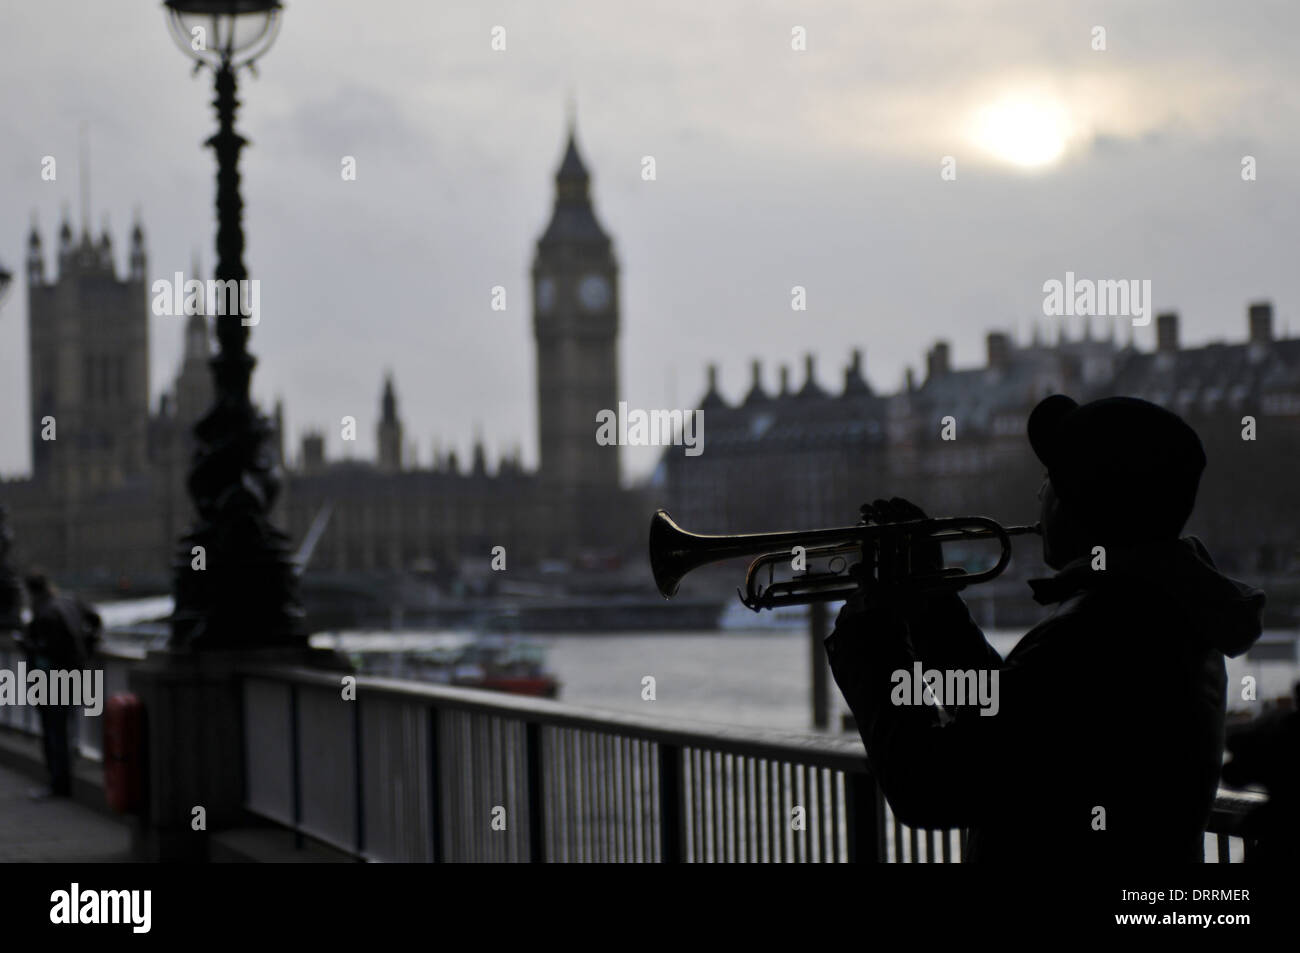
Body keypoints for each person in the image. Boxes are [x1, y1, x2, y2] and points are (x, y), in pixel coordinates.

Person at [825, 394, 1265, 863]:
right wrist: (931, 602)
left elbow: (930, 785)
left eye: (1049, 478)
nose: (1039, 495)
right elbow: (1005, 717)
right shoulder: (1158, 609)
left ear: (1081, 500)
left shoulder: (1096, 632)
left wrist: (870, 630)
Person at [19, 571, 101, 800]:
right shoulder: (69, 601)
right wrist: (90, 644)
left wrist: (28, 645)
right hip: (74, 674)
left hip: (51, 680)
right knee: (66, 727)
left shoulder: (45, 613)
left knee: (54, 731)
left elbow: (45, 648)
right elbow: (95, 619)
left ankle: (58, 783)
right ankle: (63, 778)